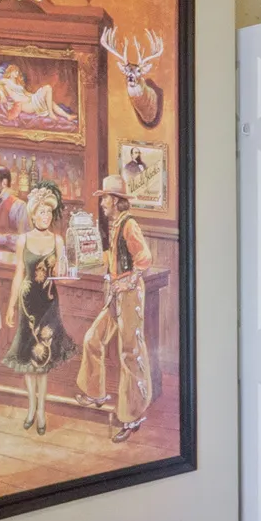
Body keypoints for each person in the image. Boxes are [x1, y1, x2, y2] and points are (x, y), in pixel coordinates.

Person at [78, 171, 152, 443]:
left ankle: (132, 416)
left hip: (129, 295)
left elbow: (144, 257)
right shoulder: (116, 224)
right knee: (93, 339)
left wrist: (129, 281)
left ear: (116, 200)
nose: (102, 203)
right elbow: (115, 256)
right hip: (116, 292)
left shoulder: (129, 224)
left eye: (105, 198)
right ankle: (95, 392)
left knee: (130, 354)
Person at [1, 182, 77, 435]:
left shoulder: (58, 240)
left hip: (49, 304)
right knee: (27, 356)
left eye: (48, 212)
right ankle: (31, 407)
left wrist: (67, 272)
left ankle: (42, 411)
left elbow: (60, 274)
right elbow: (18, 274)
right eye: (40, 212)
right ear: (32, 215)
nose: (44, 216)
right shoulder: (23, 240)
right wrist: (11, 306)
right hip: (27, 302)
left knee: (42, 359)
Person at [0, 62, 76, 130]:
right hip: (25, 105)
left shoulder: (18, 84)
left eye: (17, 71)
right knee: (48, 88)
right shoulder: (6, 81)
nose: (17, 73)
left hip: (30, 100)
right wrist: (2, 95)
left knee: (49, 100)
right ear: (10, 72)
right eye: (15, 71)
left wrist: (37, 95)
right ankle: (51, 113)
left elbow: (26, 94)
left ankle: (67, 116)